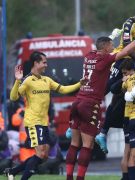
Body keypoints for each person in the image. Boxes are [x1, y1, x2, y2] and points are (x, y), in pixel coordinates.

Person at [65, 30, 135, 180]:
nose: (113, 48)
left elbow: (100, 45)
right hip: (90, 104)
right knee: (87, 145)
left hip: (77, 100)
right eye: (111, 46)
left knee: (74, 143)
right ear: (105, 48)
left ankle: (69, 177)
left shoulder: (88, 56)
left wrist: (112, 35)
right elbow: (125, 51)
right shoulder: (105, 59)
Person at [5, 51, 86, 180]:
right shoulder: (27, 80)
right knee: (41, 153)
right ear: (36, 63)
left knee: (44, 155)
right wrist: (17, 81)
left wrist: (80, 84)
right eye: (44, 62)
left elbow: (64, 89)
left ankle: (13, 171)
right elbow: (13, 97)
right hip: (33, 122)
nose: (46, 65)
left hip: (43, 123)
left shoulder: (47, 80)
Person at [96, 1, 135, 154]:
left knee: (121, 96)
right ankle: (78, 124)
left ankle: (105, 131)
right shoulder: (129, 23)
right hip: (121, 58)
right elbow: (126, 47)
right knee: (105, 89)